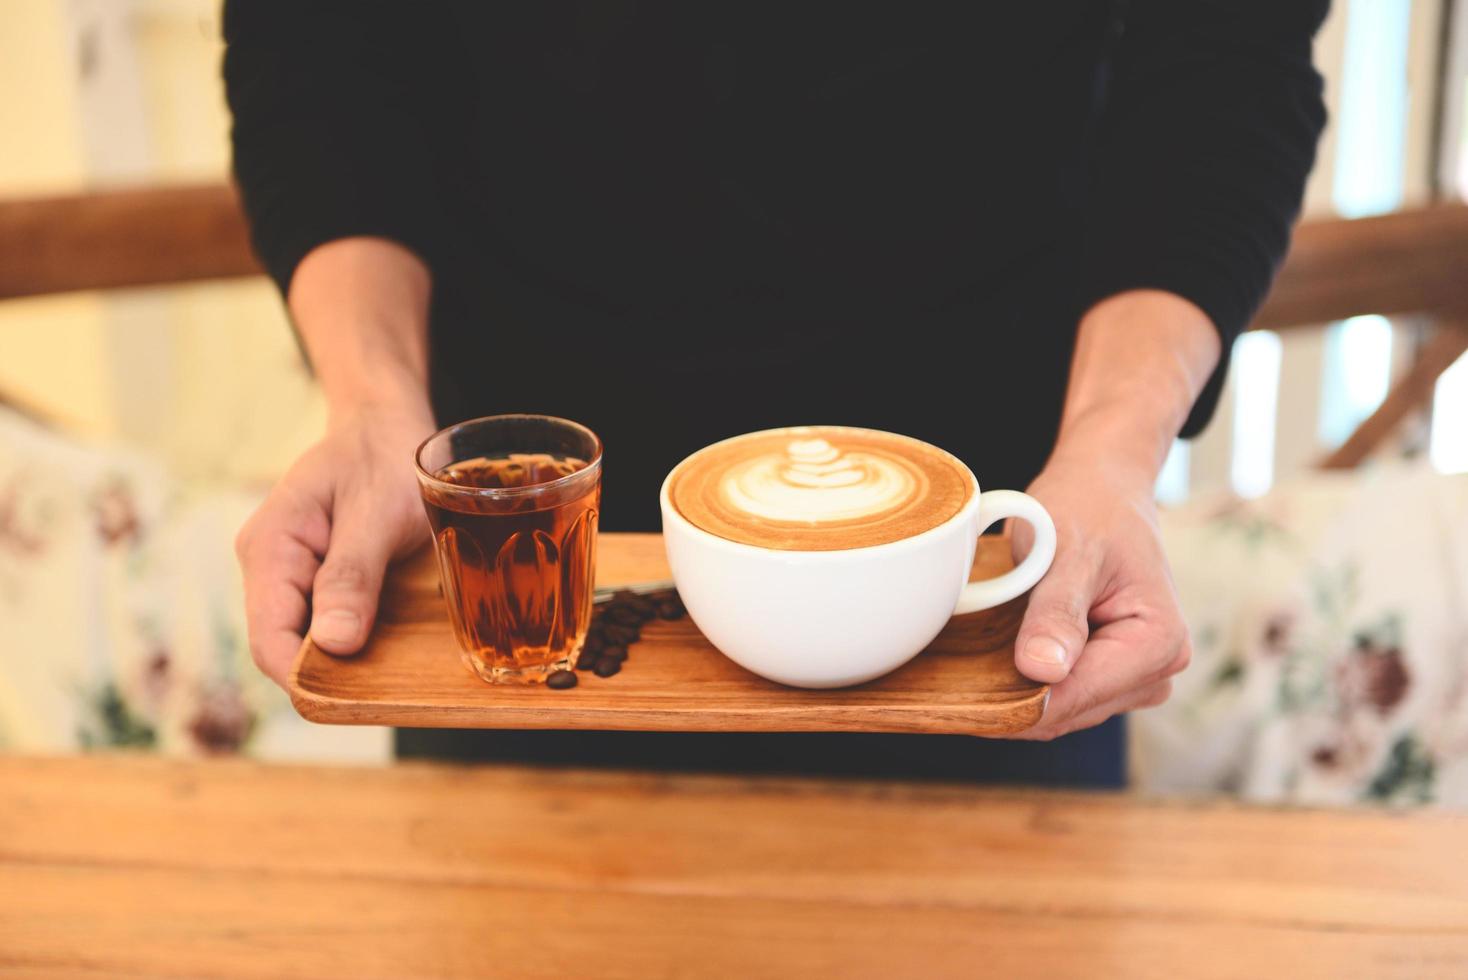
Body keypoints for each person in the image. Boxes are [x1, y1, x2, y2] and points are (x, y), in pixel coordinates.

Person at [225, 1, 1327, 786]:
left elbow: (1223, 57)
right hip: (533, 581)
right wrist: (372, 401)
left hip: (993, 586)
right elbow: (316, 49)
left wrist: (1111, 448)